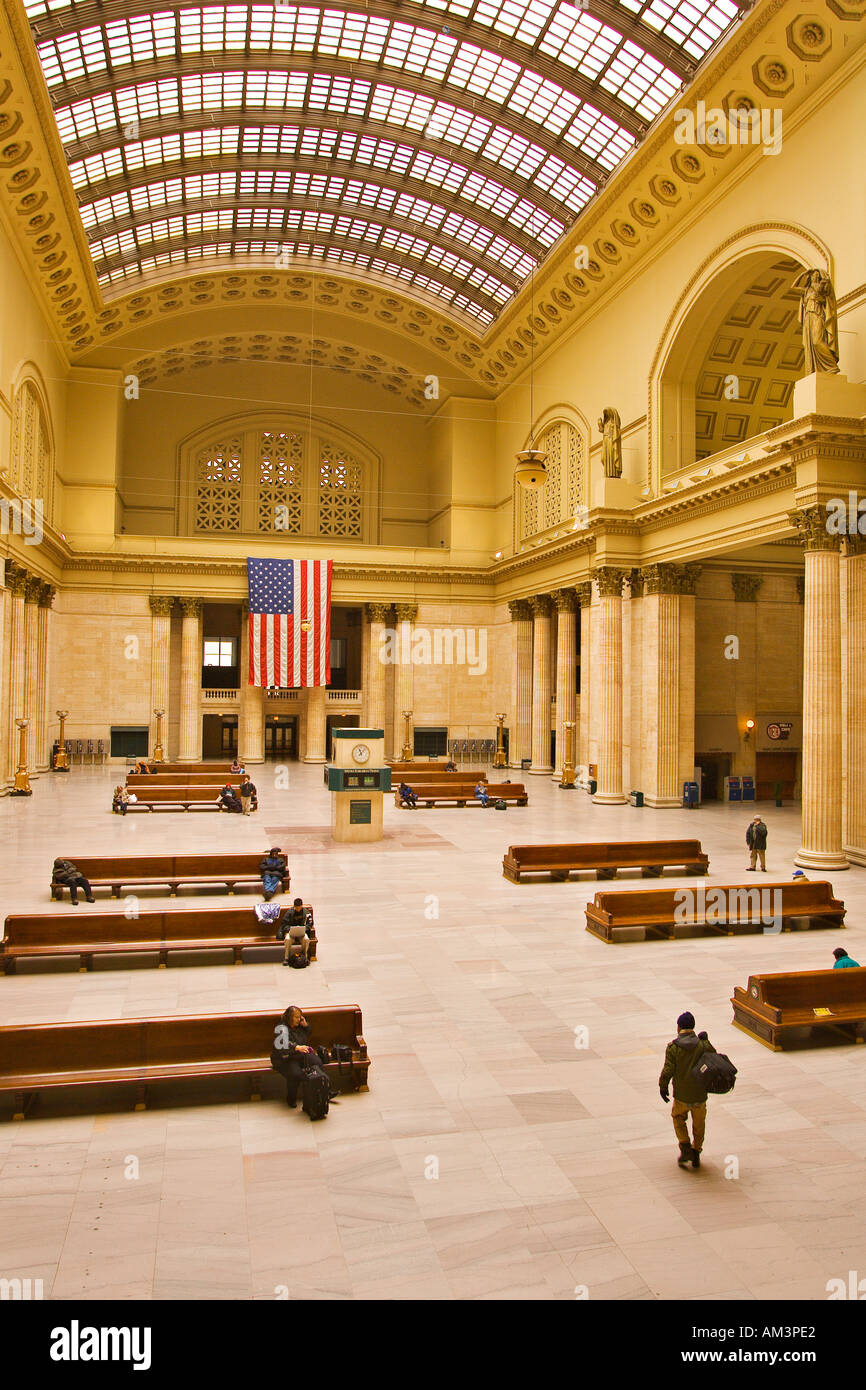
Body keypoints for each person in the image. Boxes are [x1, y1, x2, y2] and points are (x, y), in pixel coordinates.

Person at [659, 1010, 716, 1169]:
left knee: (678, 1117)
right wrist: (706, 1041)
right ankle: (696, 1151)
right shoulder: (702, 1045)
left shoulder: (673, 1047)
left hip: (682, 1095)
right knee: (699, 1124)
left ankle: (685, 1147)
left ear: (678, 1028)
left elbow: (668, 1070)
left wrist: (663, 1087)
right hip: (700, 1094)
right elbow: (714, 1058)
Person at [270, 1006, 317, 1108]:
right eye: (296, 1017)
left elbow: (306, 1036)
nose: (299, 1019)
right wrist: (296, 1047)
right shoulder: (281, 1028)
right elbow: (281, 1045)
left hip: (297, 1055)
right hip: (284, 1058)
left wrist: (306, 1026)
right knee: (295, 1074)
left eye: (300, 1017)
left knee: (316, 1061)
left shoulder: (299, 1026)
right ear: (290, 1017)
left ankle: (326, 1089)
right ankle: (291, 1098)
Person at [279, 898, 316, 965]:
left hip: (302, 932)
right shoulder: (289, 912)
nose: (298, 909)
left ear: (302, 906)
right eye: (297, 908)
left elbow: (310, 924)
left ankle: (304, 956)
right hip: (291, 933)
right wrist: (289, 929)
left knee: (306, 940)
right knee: (287, 940)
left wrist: (304, 929)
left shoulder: (306, 913)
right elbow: (284, 924)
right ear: (294, 906)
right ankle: (286, 958)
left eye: (299, 908)